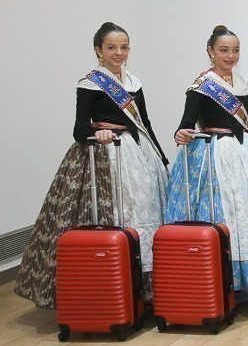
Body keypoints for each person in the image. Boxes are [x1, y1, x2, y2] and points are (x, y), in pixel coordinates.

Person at [16, 23, 169, 309]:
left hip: (138, 154)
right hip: (103, 158)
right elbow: (79, 129)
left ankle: (141, 291)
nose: (119, 53)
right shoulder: (90, 83)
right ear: (98, 50)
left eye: (124, 47)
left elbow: (145, 124)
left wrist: (161, 157)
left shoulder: (133, 82)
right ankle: (107, 289)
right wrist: (96, 134)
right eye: (111, 47)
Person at [166, 25, 248, 299]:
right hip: (214, 160)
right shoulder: (201, 87)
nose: (230, 56)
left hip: (246, 155)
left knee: (247, 214)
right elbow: (186, 124)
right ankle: (219, 280)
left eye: (235, 50)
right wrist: (181, 133)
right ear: (210, 52)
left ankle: (242, 283)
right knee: (219, 215)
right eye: (224, 50)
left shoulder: (243, 85)